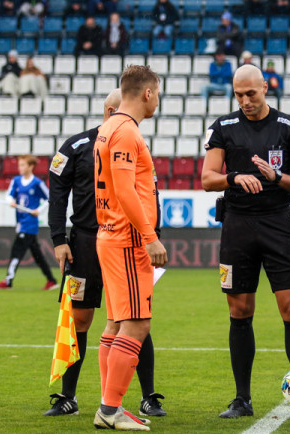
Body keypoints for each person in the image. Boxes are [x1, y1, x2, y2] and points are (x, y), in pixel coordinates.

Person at [201, 64, 290, 422]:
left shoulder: (288, 128)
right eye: (239, 94)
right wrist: (234, 177)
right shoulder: (223, 128)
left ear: (265, 88)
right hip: (237, 226)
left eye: (251, 93)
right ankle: (242, 399)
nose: (245, 100)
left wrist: (277, 176)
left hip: (278, 224)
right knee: (239, 311)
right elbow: (207, 178)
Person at [45, 89, 166, 419]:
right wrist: (58, 238)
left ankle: (146, 396)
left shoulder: (122, 140)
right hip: (85, 242)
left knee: (131, 318)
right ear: (112, 108)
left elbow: (150, 194)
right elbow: (56, 194)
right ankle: (68, 396)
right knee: (81, 318)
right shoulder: (80, 145)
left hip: (119, 238)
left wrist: (153, 235)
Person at [92, 65, 168, 431]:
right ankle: (110, 410)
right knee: (137, 323)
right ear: (148, 93)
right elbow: (124, 190)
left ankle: (108, 405)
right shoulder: (124, 131)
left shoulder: (108, 127)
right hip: (127, 239)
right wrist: (149, 236)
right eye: (159, 93)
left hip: (110, 235)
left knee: (116, 322)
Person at [0, 155, 58, 291]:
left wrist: (38, 210)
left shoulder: (37, 183)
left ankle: (8, 281)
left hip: (29, 224)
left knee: (16, 251)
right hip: (20, 222)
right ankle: (51, 280)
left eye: (23, 165)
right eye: (19, 165)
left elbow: (50, 197)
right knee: (37, 255)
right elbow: (9, 194)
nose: (20, 168)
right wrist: (11, 201)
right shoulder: (16, 181)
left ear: (31, 166)